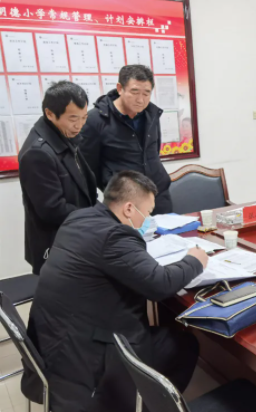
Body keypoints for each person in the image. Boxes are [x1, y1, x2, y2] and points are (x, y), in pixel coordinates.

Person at [22, 171, 208, 412]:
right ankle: (150, 405)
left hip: (53, 343)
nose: (148, 220)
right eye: (147, 212)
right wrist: (195, 260)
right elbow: (160, 284)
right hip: (84, 358)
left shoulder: (79, 218)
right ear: (129, 208)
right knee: (183, 344)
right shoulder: (115, 235)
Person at [18, 81, 97, 275]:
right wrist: (96, 217)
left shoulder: (65, 135)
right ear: (50, 114)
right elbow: (52, 210)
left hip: (78, 234)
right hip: (56, 244)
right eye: (73, 118)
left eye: (84, 117)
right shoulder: (38, 153)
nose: (79, 125)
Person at [80, 65, 173, 214]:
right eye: (134, 92)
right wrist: (112, 186)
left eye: (146, 93)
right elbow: (88, 167)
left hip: (158, 194)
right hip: (124, 201)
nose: (140, 100)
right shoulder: (95, 120)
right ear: (120, 88)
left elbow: (153, 152)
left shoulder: (152, 113)